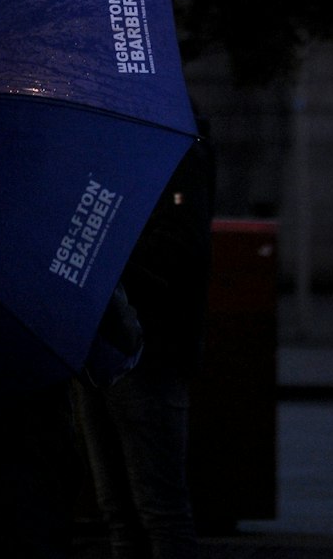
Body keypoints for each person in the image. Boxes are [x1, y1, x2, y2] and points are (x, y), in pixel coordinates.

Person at [72, 129, 216, 559]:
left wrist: (102, 268)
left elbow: (177, 250)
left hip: (147, 350)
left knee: (159, 511)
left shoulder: (175, 149)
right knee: (119, 511)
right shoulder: (112, 148)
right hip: (100, 343)